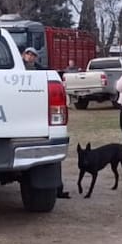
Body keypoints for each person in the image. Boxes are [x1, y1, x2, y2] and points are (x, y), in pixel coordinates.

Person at [24, 46, 70, 199]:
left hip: (36, 113)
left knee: (50, 160)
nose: (30, 57)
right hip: (23, 112)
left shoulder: (41, 72)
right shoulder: (16, 69)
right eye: (28, 54)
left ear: (36, 57)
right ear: (23, 55)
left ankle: (57, 189)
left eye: (33, 55)